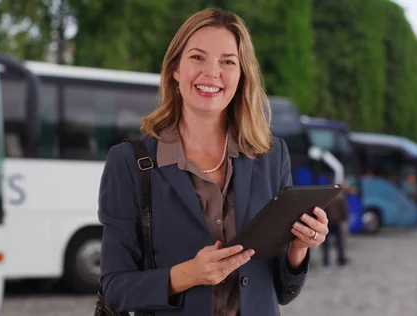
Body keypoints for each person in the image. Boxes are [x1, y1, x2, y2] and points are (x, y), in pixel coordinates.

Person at [98, 8, 329, 316]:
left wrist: (300, 245)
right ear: (175, 69)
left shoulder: (272, 156)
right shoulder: (128, 162)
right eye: (197, 57)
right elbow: (114, 289)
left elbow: (283, 290)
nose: (211, 72)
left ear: (241, 74)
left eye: (227, 61)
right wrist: (188, 275)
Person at [321, 190, 349, 271]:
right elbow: (344, 210)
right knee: (339, 244)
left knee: (326, 245)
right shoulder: (340, 198)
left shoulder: (325, 199)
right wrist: (344, 220)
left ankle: (326, 263)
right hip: (337, 222)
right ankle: (341, 263)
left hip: (327, 223)